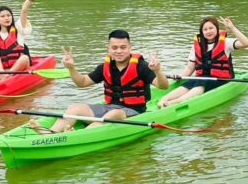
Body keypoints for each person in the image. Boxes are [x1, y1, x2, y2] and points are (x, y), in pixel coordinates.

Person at [29, 30, 168, 134]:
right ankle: (50, 134)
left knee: (115, 114)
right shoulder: (105, 67)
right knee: (75, 107)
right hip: (108, 108)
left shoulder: (142, 66)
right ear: (109, 48)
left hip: (134, 112)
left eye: (123, 47)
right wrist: (72, 68)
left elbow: (163, 86)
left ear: (130, 47)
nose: (119, 51)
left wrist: (157, 70)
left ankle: (78, 136)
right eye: (114, 47)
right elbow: (82, 82)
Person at [157, 16, 248, 107]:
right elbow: (190, 67)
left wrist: (232, 27)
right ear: (202, 32)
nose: (208, 31)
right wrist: (180, 76)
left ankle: (176, 102)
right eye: (205, 29)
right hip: (202, 78)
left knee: (203, 81)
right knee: (190, 82)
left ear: (217, 29)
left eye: (211, 28)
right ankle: (164, 99)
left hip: (221, 79)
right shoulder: (197, 45)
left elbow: (246, 43)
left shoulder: (226, 42)